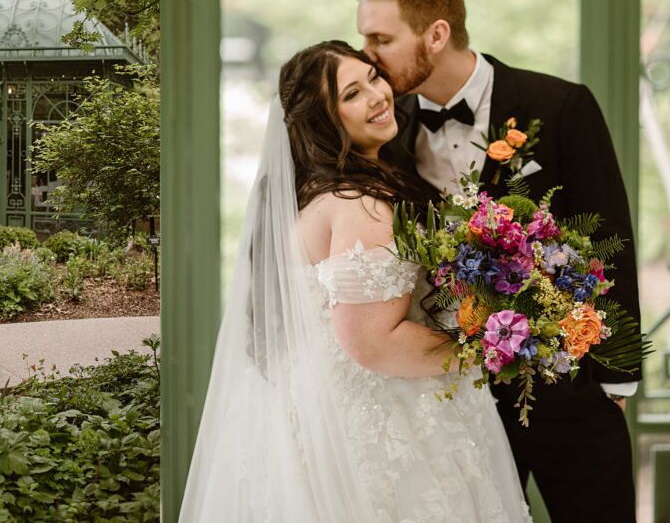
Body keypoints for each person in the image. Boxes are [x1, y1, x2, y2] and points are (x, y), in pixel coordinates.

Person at [179, 40, 531, 522]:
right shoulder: (359, 203)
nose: (377, 95)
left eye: (373, 77)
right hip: (384, 420)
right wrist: (489, 346)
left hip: (324, 412)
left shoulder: (319, 192)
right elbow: (371, 342)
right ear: (325, 119)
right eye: (351, 93)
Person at [355, 0, 641, 523]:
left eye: (381, 39)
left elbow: (611, 235)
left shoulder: (560, 106)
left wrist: (617, 379)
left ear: (436, 34)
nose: (367, 56)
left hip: (565, 391)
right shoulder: (383, 128)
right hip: (448, 399)